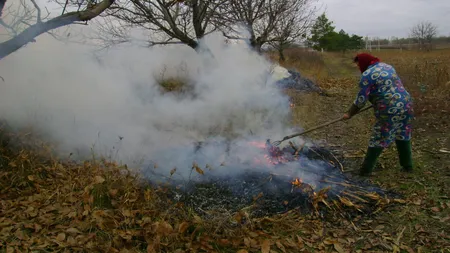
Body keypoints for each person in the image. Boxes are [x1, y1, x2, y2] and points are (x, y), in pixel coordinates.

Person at [343, 53, 414, 176]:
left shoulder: (367, 75)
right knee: (403, 132)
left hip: (389, 108)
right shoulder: (387, 66)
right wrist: (377, 98)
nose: (358, 67)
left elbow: (361, 99)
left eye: (358, 64)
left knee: (379, 136)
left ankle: (365, 171)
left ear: (364, 62)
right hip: (406, 103)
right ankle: (407, 166)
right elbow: (391, 86)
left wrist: (349, 114)